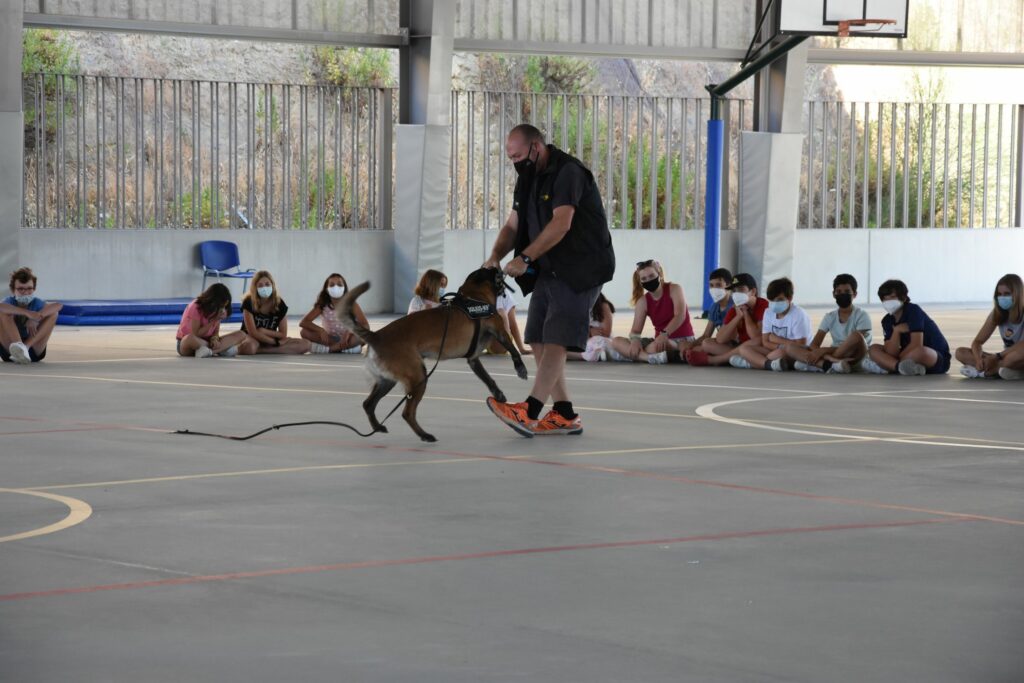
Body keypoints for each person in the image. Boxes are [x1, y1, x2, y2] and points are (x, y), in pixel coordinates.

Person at [483, 123, 615, 436]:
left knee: (557, 335)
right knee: (537, 335)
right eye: (510, 158)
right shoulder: (526, 178)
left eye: (518, 155)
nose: (515, 162)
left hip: (582, 265)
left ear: (536, 147)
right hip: (551, 266)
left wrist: (525, 257)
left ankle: (529, 411)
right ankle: (565, 413)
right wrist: (494, 257)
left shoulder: (568, 172)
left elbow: (561, 224)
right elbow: (513, 225)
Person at [607, 259, 695, 364]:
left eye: (652, 276)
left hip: (681, 340)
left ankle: (632, 355)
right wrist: (635, 340)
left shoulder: (674, 289)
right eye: (644, 278)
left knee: (653, 348)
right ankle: (648, 358)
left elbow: (680, 315)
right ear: (640, 282)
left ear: (659, 274)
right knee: (616, 342)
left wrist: (664, 334)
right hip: (658, 341)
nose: (648, 280)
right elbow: (635, 331)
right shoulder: (643, 301)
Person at [788, 273, 872, 374]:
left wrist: (823, 351)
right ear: (833, 294)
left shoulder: (862, 315)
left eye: (847, 291)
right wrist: (827, 356)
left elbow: (856, 344)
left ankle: (817, 364)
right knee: (790, 347)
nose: (842, 294)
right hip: (833, 356)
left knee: (856, 336)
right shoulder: (829, 317)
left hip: (854, 356)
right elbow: (814, 344)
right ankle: (829, 365)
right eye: (839, 291)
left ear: (854, 294)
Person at [864, 279, 951, 375]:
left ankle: (889, 367)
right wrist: (896, 332)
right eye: (885, 298)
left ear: (904, 298)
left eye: (892, 297)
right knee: (873, 348)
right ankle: (901, 367)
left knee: (922, 351)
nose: (888, 301)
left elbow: (917, 345)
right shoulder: (886, 320)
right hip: (908, 358)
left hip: (934, 357)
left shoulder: (913, 311)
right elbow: (891, 352)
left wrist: (888, 360)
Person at [686, 273, 769, 367]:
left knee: (757, 340)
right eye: (734, 291)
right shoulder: (735, 308)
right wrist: (738, 317)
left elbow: (755, 336)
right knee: (707, 343)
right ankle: (743, 359)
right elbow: (721, 339)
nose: (737, 294)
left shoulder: (763, 305)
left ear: (753, 291)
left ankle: (716, 360)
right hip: (740, 346)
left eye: (741, 290)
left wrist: (745, 314)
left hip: (758, 347)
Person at [732, 277, 811, 371]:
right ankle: (770, 364)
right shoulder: (768, 312)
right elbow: (765, 342)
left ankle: (751, 363)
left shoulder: (799, 314)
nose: (774, 303)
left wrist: (776, 339)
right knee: (743, 349)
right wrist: (777, 345)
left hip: (795, 353)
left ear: (790, 298)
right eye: (771, 300)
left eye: (779, 300)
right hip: (774, 349)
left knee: (779, 354)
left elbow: (801, 345)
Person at [955, 274, 1024, 379]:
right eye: (999, 294)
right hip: (1004, 357)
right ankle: (1002, 370)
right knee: (960, 353)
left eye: (1007, 294)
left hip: (1014, 356)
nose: (1002, 298)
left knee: (1017, 355)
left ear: (1018, 294)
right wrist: (979, 360)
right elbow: (977, 342)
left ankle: (985, 373)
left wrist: (997, 356)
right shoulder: (997, 314)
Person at [237, 271, 323, 355]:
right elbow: (253, 332)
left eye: (267, 284)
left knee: (305, 344)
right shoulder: (248, 302)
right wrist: (275, 342)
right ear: (255, 288)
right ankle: (268, 349)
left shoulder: (279, 303)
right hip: (251, 338)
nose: (264, 288)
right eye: (260, 285)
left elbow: (283, 334)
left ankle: (261, 350)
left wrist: (264, 331)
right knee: (250, 347)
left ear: (272, 285)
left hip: (269, 338)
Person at [0, 267, 62, 364]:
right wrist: (27, 312)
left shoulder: (36, 302)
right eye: (21, 289)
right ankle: (19, 346)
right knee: (4, 312)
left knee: (53, 313)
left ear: (34, 289)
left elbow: (58, 305)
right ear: (13, 290)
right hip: (10, 350)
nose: (25, 292)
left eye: (29, 289)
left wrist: (37, 318)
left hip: (32, 349)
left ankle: (24, 348)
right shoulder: (9, 301)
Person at [299, 273, 368, 354]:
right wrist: (321, 330)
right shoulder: (323, 305)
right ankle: (348, 349)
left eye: (339, 284)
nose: (336, 287)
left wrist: (350, 331)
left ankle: (331, 349)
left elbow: (365, 325)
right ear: (326, 289)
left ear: (344, 288)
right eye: (332, 285)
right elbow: (304, 322)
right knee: (304, 332)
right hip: (330, 339)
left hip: (349, 338)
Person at [176, 282, 246, 358]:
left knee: (241, 334)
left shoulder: (219, 309)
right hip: (191, 343)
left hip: (207, 343)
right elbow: (196, 334)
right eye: (221, 305)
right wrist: (213, 320)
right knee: (189, 338)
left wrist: (214, 339)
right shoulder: (195, 306)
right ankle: (221, 350)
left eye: (224, 306)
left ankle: (210, 351)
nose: (223, 308)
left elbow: (216, 332)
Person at [689, 267, 733, 357]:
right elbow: (706, 335)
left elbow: (733, 338)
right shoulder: (714, 307)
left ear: (729, 285)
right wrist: (690, 345)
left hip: (735, 344)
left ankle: (733, 356)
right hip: (722, 345)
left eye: (718, 285)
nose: (714, 289)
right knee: (696, 349)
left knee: (705, 345)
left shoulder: (734, 306)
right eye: (711, 285)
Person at [567, 292, 615, 362]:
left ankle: (576, 355)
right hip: (584, 342)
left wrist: (585, 332)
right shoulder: (577, 307)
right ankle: (579, 355)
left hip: (599, 341)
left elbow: (606, 333)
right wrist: (589, 331)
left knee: (597, 341)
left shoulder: (603, 306)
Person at [486, 289, 532, 356]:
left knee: (500, 313)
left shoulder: (505, 294)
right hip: (478, 339)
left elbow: (513, 324)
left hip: (497, 341)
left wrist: (521, 349)